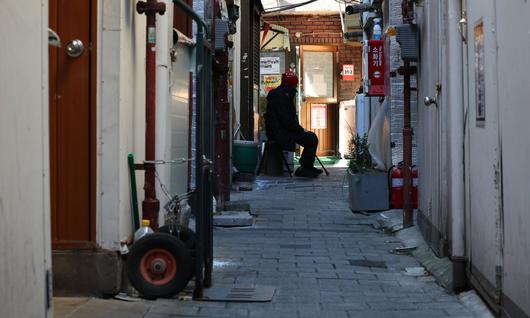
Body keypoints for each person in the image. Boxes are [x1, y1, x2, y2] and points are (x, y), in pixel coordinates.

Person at [265, 71, 322, 178]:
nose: (295, 88)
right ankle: (305, 167)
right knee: (311, 138)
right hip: (281, 133)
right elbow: (287, 121)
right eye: (295, 85)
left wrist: (299, 129)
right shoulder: (282, 97)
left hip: (279, 131)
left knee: (309, 137)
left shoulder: (280, 94)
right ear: (291, 85)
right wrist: (300, 129)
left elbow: (286, 120)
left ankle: (306, 166)